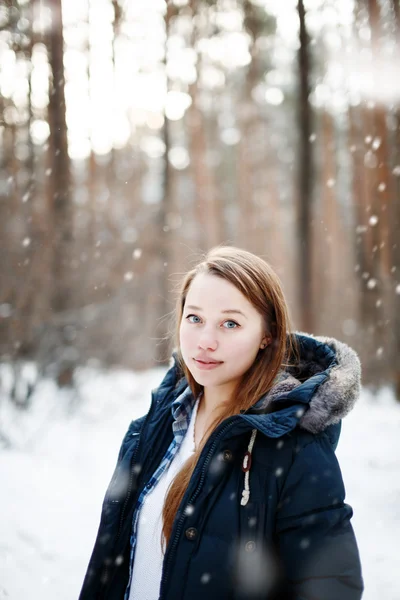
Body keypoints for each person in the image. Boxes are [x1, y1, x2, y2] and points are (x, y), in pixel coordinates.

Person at [79, 246, 364, 600]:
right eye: (195, 318)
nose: (205, 341)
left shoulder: (294, 451)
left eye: (230, 323)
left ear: (267, 335)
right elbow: (108, 567)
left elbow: (332, 587)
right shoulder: (152, 428)